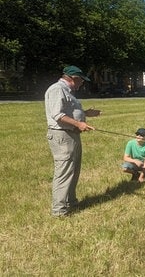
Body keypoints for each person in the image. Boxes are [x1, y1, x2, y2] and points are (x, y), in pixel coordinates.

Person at [44, 65, 101, 217]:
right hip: (62, 135)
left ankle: (71, 202)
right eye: (82, 81)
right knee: (64, 172)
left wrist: (85, 113)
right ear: (74, 78)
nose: (82, 84)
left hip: (72, 134)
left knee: (73, 170)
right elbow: (57, 115)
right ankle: (59, 211)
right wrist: (79, 123)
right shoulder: (57, 89)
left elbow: (68, 111)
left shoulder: (68, 91)